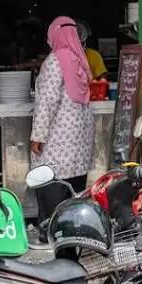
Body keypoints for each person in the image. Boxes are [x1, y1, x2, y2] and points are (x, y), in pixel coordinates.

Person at [30, 17, 95, 244]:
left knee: (50, 180)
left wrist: (38, 135)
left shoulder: (54, 62)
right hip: (80, 138)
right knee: (74, 186)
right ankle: (71, 230)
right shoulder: (80, 59)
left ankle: (50, 230)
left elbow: (47, 102)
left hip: (58, 136)